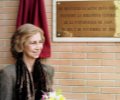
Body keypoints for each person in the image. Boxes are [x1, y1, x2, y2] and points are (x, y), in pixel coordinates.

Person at [0, 24, 54, 100]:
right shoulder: (8, 73)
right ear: (21, 46)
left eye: (40, 42)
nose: (38, 47)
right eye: (33, 43)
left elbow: (49, 96)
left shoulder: (48, 70)